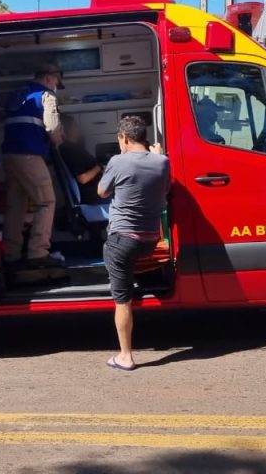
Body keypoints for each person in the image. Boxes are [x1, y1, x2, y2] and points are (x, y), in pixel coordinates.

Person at [98, 116, 170, 371]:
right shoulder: (162, 162)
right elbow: (166, 189)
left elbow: (102, 192)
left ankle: (125, 356)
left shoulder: (118, 161)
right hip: (149, 240)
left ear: (125, 138)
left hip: (121, 242)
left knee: (122, 300)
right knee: (129, 270)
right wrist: (157, 155)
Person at [1, 63, 64, 268]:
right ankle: (38, 252)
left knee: (15, 206)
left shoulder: (18, 93)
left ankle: (11, 253)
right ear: (48, 78)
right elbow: (53, 128)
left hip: (10, 155)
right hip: (29, 155)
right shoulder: (47, 96)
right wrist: (60, 141)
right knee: (46, 201)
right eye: (56, 82)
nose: (56, 86)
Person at [57, 114, 103, 204]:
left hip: (94, 191)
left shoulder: (66, 148)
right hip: (92, 196)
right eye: (75, 125)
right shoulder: (71, 150)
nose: (78, 129)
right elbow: (83, 178)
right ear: (69, 128)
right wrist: (99, 167)